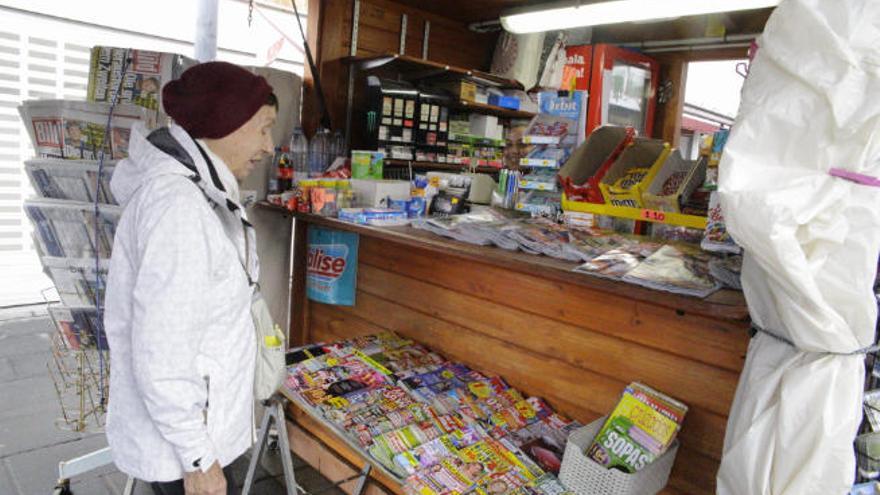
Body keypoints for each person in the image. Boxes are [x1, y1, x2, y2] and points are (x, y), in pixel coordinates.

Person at [104, 61, 277, 495]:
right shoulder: (179, 208)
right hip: (191, 448)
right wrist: (198, 458)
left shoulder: (196, 193)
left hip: (198, 435)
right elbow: (161, 348)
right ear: (227, 123)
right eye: (263, 128)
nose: (270, 146)